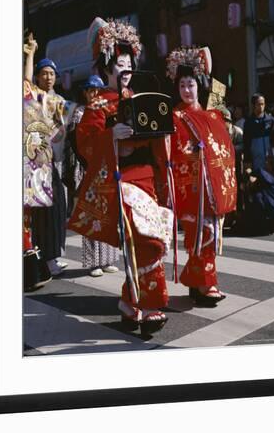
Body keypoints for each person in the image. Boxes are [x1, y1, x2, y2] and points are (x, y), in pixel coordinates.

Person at [68, 17, 174, 335]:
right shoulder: (98, 106)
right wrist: (111, 135)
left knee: (149, 241)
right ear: (107, 68)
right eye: (119, 64)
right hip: (121, 180)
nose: (125, 70)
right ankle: (150, 303)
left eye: (129, 64)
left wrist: (164, 134)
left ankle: (131, 303)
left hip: (146, 179)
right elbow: (86, 143)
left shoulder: (143, 99)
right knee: (144, 240)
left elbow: (161, 141)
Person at [167, 46, 237, 306]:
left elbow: (224, 147)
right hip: (190, 187)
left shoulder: (212, 115)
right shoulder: (174, 117)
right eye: (183, 85)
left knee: (210, 235)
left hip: (212, 187)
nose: (187, 90)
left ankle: (197, 283)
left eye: (191, 85)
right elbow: (172, 151)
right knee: (202, 235)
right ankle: (206, 284)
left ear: (199, 86)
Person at [23, 33, 76, 277]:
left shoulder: (59, 100)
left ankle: (52, 255)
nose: (49, 76)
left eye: (52, 73)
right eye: (44, 73)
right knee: (44, 212)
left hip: (53, 160)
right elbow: (26, 81)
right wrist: (31, 54)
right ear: (38, 77)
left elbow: (61, 130)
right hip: (36, 162)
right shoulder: (34, 96)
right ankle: (46, 258)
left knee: (58, 208)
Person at [65, 75, 119, 277]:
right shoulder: (80, 112)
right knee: (91, 212)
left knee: (108, 210)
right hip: (87, 164)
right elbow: (78, 141)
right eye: (90, 90)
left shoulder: (109, 106)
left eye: (96, 90)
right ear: (85, 92)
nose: (94, 94)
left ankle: (108, 258)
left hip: (107, 163)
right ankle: (92, 262)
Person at [243, 93, 274, 172]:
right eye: (258, 104)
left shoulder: (271, 120)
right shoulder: (248, 123)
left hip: (271, 161)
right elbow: (246, 144)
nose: (261, 107)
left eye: (263, 104)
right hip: (256, 162)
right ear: (253, 105)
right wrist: (248, 163)